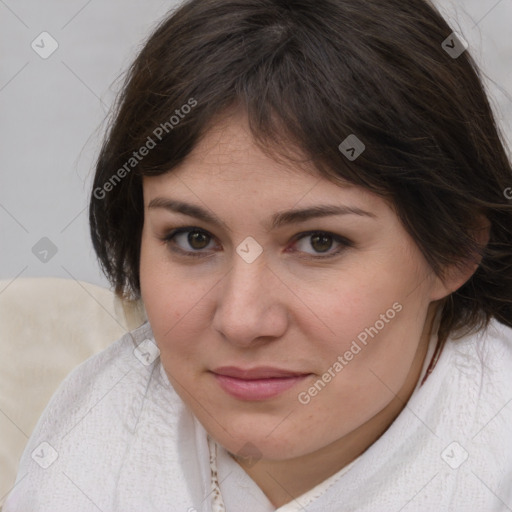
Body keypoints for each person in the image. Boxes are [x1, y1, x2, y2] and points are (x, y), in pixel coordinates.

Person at [4, 0, 512, 510]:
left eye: (320, 242)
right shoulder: (86, 440)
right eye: (193, 239)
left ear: (454, 249)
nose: (242, 320)